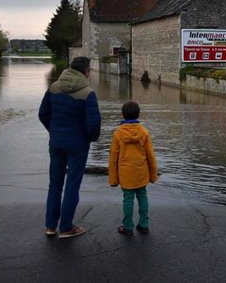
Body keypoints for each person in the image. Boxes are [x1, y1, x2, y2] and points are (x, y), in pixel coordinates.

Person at [39, 56, 101, 239]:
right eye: (90, 70)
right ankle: (66, 228)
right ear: (86, 72)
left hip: (56, 143)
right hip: (78, 145)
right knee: (72, 186)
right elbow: (93, 123)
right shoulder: (88, 93)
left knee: (55, 184)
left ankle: (51, 226)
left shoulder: (54, 88)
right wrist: (89, 139)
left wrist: (54, 131)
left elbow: (43, 114)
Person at [109, 100, 158, 236]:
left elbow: (113, 158)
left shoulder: (118, 134)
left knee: (128, 198)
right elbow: (150, 156)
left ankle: (128, 226)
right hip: (141, 171)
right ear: (138, 114)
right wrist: (153, 175)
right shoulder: (144, 132)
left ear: (123, 115)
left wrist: (113, 179)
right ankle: (144, 224)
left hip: (125, 173)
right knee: (142, 196)